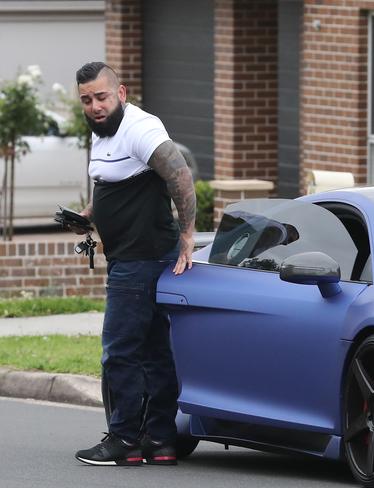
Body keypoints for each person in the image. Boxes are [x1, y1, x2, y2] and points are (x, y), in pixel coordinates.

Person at [71, 62, 196, 466]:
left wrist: (189, 234)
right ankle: (159, 440)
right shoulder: (103, 130)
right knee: (153, 349)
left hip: (140, 258)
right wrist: (90, 215)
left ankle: (123, 439)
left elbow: (180, 175)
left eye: (102, 97)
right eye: (87, 100)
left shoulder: (140, 129)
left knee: (119, 350)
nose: (95, 106)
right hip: (129, 255)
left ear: (121, 93)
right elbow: (110, 181)